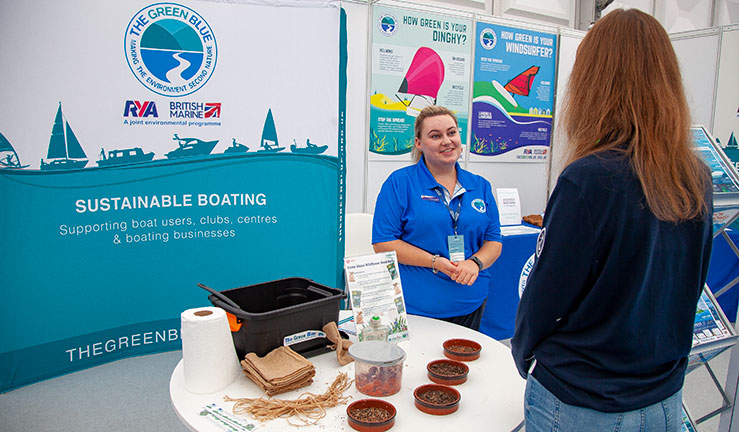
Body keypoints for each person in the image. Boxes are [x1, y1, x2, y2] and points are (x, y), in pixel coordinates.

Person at [510, 9, 713, 432]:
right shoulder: (695, 176)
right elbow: (690, 284)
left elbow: (546, 295)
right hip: (662, 395)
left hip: (581, 399)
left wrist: (524, 350)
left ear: (594, 81)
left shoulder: (589, 179)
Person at [372, 105, 502, 330]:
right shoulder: (399, 183)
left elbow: (494, 240)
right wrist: (435, 262)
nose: (447, 141)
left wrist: (475, 263)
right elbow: (383, 243)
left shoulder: (480, 186)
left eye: (452, 133)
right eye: (435, 135)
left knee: (464, 364)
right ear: (418, 143)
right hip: (417, 308)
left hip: (471, 303)